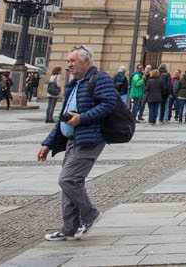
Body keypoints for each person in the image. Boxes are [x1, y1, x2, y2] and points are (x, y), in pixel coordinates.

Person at [36, 45, 119, 241]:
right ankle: (68, 228)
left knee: (68, 180)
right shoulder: (75, 84)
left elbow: (109, 104)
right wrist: (48, 143)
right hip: (73, 139)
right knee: (70, 183)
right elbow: (63, 117)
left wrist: (82, 118)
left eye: (72, 61)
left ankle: (90, 214)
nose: (69, 65)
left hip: (90, 138)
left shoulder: (99, 79)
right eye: (68, 61)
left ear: (86, 61)